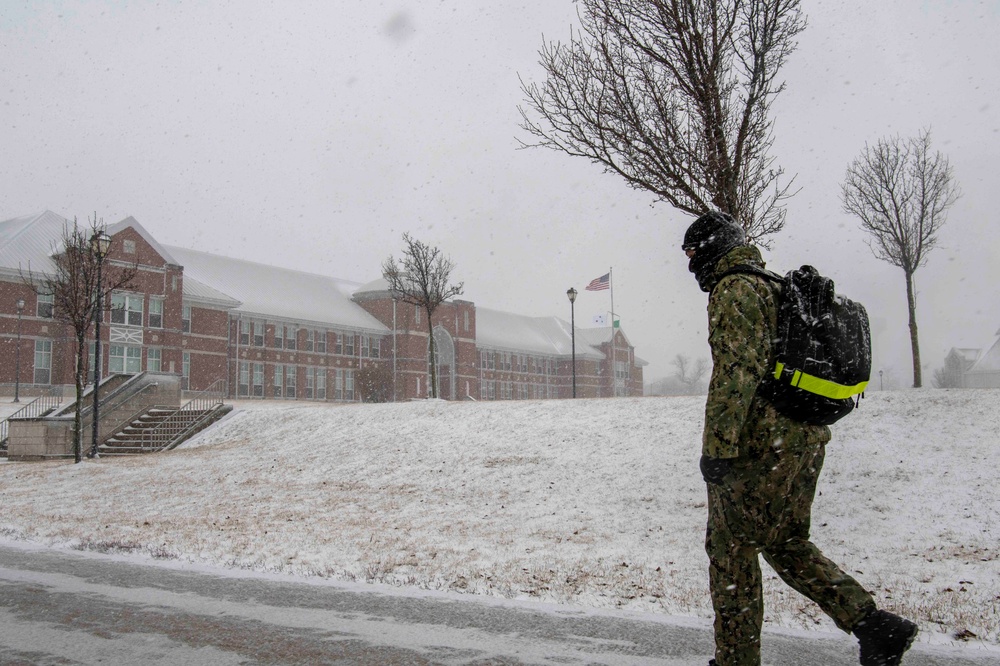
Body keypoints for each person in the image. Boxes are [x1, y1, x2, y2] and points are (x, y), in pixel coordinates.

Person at [683, 211, 918, 666]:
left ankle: (736, 661)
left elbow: (736, 373)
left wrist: (717, 449)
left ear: (712, 246)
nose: (691, 262)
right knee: (786, 540)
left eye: (693, 252)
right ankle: (875, 626)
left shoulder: (736, 289)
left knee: (731, 552)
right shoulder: (772, 285)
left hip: (760, 445)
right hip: (805, 438)